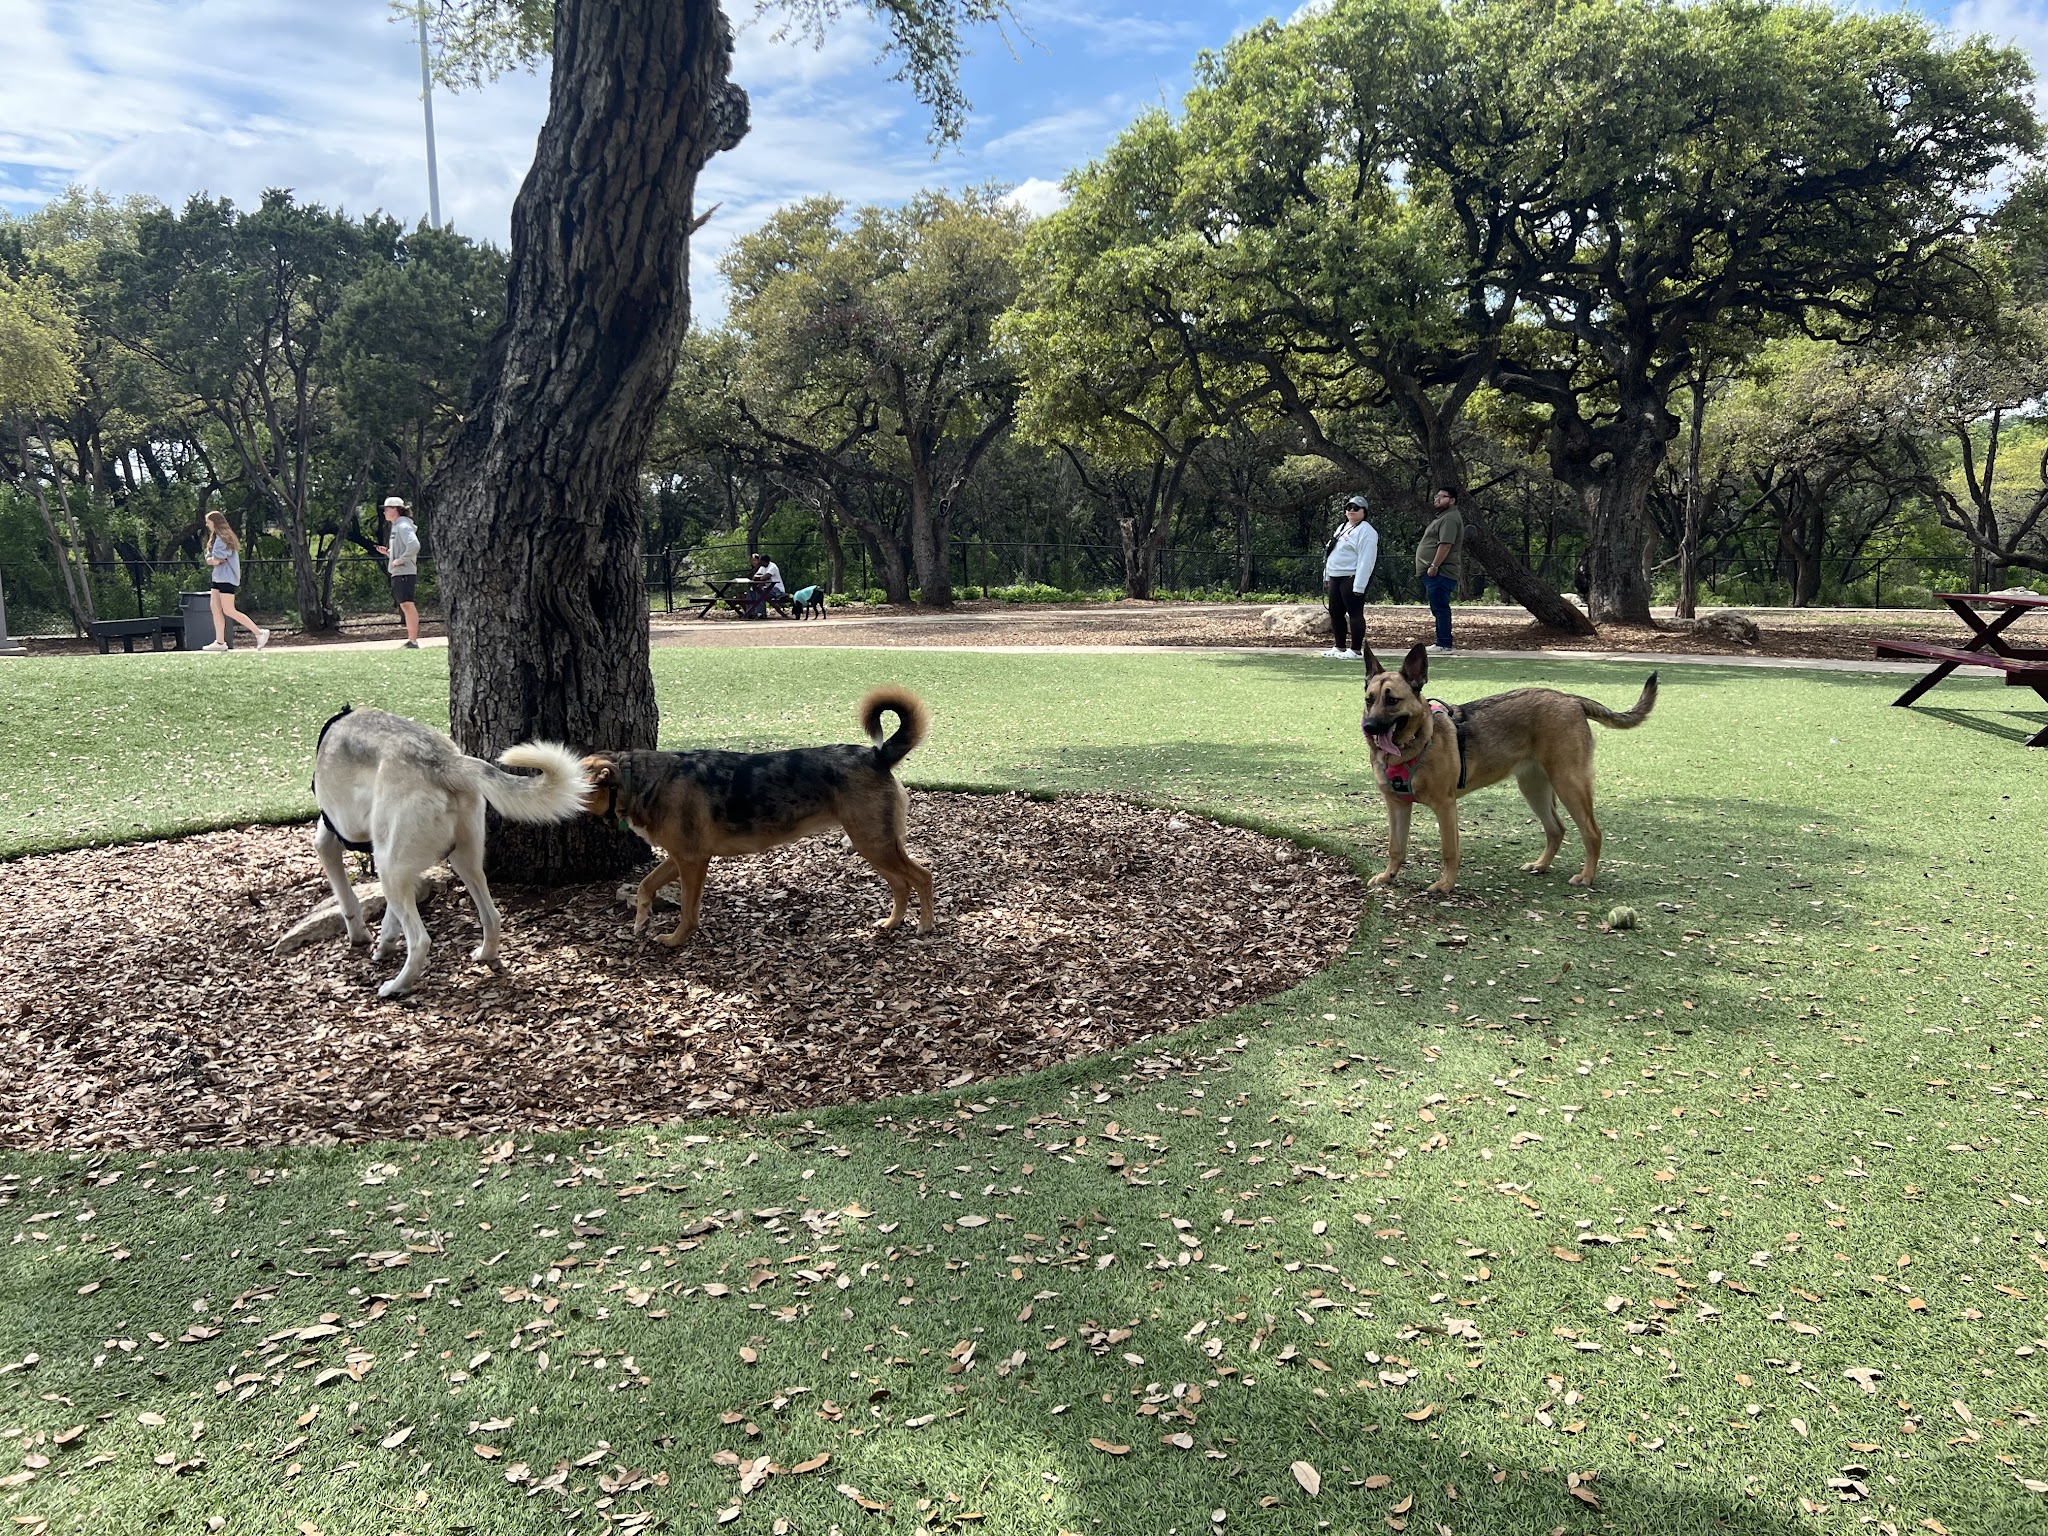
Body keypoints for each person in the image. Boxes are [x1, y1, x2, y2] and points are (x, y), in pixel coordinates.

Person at [1320, 494, 1380, 665]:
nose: (1351, 511)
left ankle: (1355, 649)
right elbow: (1331, 552)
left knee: (1354, 613)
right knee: (1335, 612)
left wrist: (1359, 585)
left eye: (1356, 508)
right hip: (1335, 575)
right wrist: (1326, 575)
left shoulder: (1367, 531)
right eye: (1348, 508)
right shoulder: (1342, 527)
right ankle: (1339, 646)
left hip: (1351, 576)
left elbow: (1366, 559)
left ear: (1364, 512)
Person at [200, 509, 270, 652]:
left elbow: (217, 560)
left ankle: (259, 632)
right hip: (218, 577)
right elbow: (212, 558)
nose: (207, 525)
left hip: (226, 578)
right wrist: (210, 559)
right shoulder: (217, 538)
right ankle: (220, 642)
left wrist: (210, 559)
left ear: (215, 522)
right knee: (215, 608)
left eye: (208, 522)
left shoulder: (223, 538)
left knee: (229, 610)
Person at [1416, 488, 1465, 655]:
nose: (1437, 499)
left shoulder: (1450, 518)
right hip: (1436, 572)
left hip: (1441, 572)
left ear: (1452, 500)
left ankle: (1444, 644)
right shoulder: (1443, 517)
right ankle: (1441, 642)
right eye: (1436, 496)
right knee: (1438, 607)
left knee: (1440, 607)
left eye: (1442, 497)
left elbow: (1445, 545)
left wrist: (1434, 566)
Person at [376, 496, 422, 648]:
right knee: (404, 605)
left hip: (404, 571)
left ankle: (413, 641)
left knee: (407, 604)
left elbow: (414, 545)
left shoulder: (402, 526)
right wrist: (389, 553)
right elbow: (405, 548)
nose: (384, 512)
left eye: (386, 509)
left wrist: (401, 560)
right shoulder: (397, 526)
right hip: (399, 572)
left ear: (395, 509)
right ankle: (411, 640)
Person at [746, 552, 786, 618]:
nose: (759, 562)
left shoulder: (773, 567)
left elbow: (764, 578)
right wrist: (762, 576)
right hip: (768, 588)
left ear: (764, 561)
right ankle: (751, 613)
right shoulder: (762, 567)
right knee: (751, 592)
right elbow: (754, 577)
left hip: (777, 590)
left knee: (761, 592)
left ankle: (761, 613)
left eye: (760, 561)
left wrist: (762, 577)